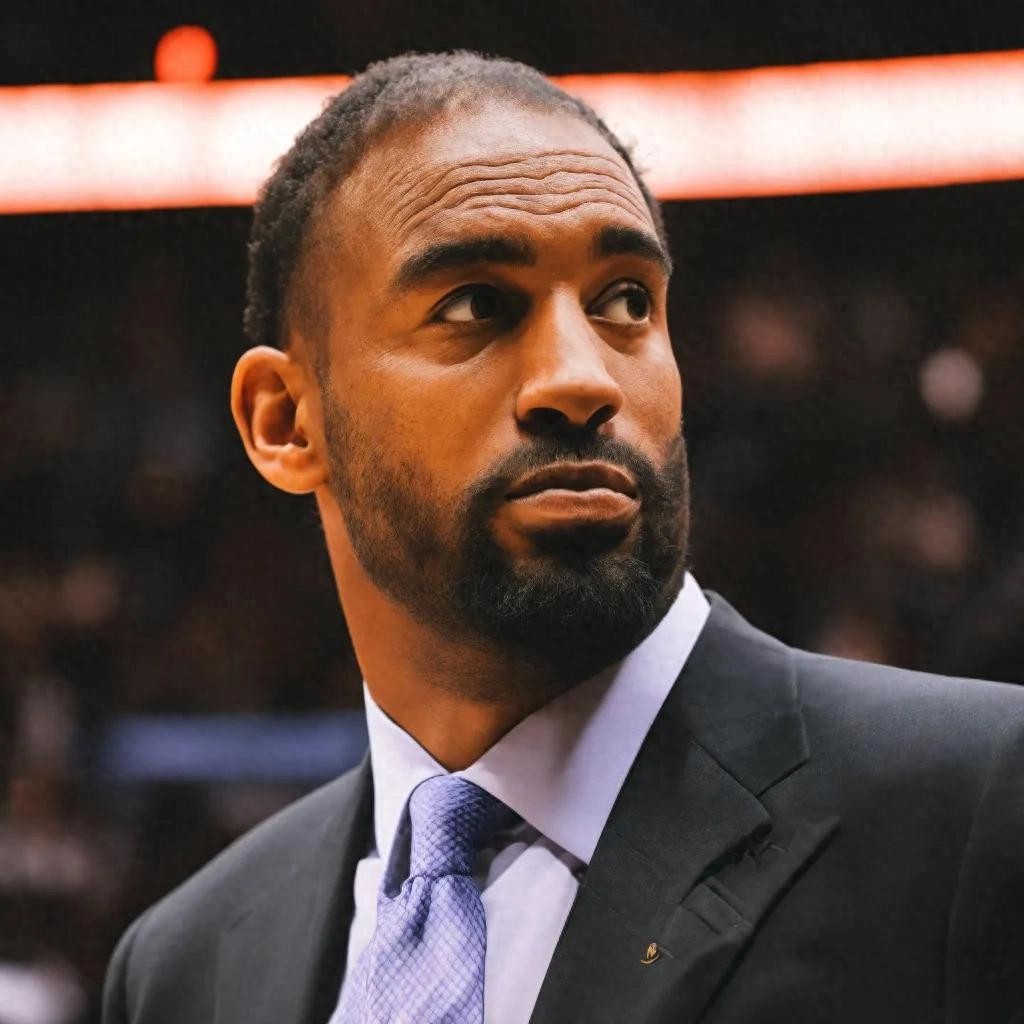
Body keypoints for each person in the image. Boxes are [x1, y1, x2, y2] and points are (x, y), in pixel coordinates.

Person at [102, 51, 1024, 1024]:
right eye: (476, 305)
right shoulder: (182, 967)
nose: (583, 377)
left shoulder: (979, 808)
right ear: (287, 421)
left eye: (625, 301)